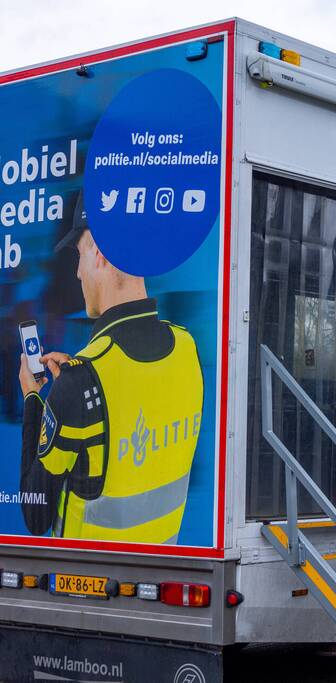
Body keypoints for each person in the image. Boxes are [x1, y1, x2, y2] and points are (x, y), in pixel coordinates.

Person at [17, 194, 204, 544]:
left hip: (83, 584)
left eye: (79, 256)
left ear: (100, 254)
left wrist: (33, 398)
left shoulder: (81, 378)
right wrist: (69, 390)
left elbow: (35, 514)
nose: (76, 272)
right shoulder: (187, 347)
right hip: (164, 567)